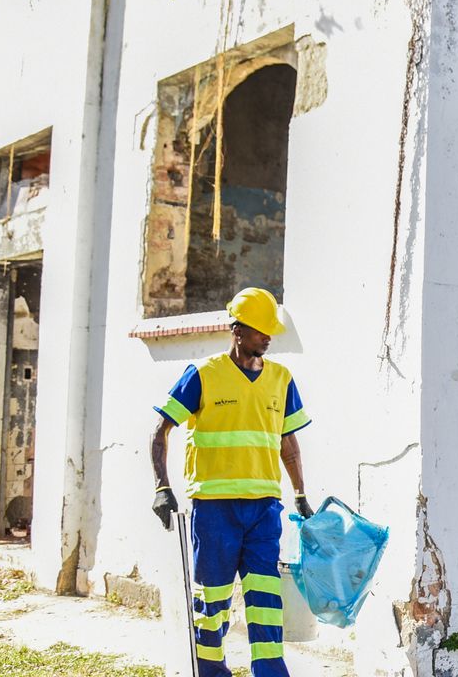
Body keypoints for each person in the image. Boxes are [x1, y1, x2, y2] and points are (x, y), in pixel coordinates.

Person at [150, 287, 314, 677]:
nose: (267, 337)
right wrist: (162, 486)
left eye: (270, 329)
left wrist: (301, 494)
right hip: (214, 508)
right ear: (237, 329)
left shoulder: (281, 378)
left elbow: (288, 442)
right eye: (260, 329)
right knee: (213, 604)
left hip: (263, 509)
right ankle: (210, 673)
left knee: (266, 601)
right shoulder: (203, 375)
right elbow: (161, 430)